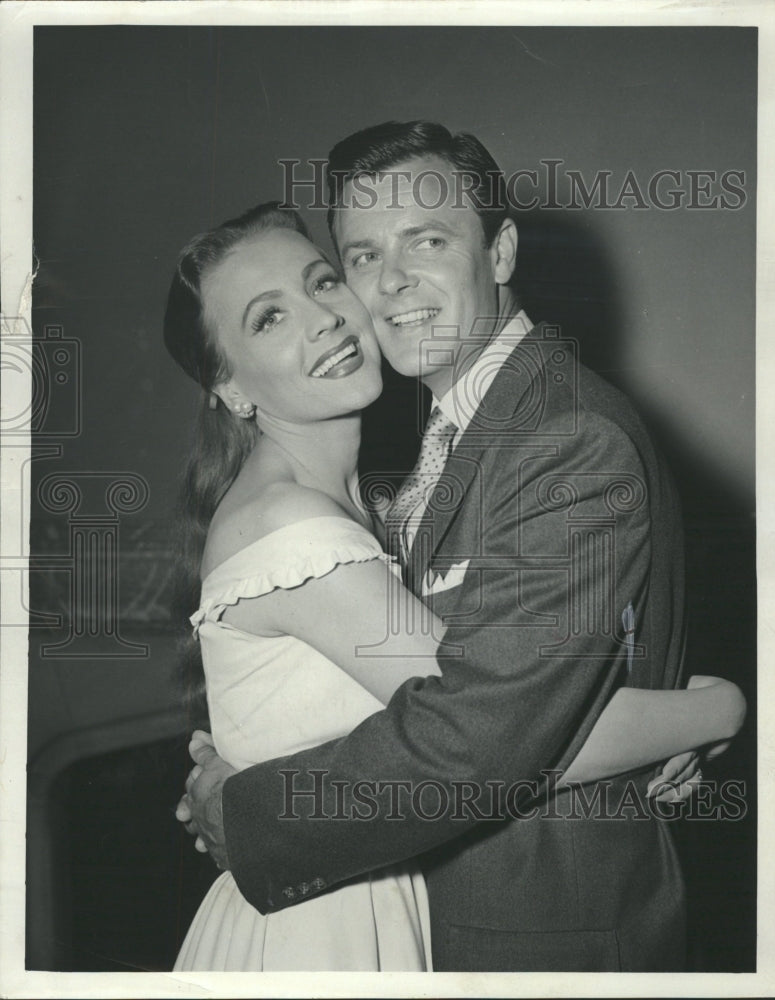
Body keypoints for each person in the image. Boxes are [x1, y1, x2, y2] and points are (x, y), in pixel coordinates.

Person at [169, 149, 745, 971]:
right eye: (362, 257)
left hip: (524, 933)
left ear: (500, 253)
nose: (379, 288)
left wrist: (253, 809)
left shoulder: (557, 436)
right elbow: (489, 729)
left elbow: (487, 733)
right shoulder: (326, 507)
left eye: (425, 242)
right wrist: (711, 709)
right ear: (228, 388)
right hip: (341, 931)